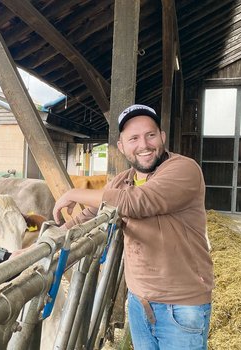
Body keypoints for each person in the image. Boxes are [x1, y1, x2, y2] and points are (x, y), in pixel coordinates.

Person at [53, 104, 214, 350]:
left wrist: (74, 192)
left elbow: (137, 202)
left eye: (150, 135)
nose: (144, 145)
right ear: (122, 146)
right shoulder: (123, 180)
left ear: (162, 137)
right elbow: (88, 215)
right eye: (134, 138)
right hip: (139, 302)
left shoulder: (184, 169)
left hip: (181, 306)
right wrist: (46, 244)